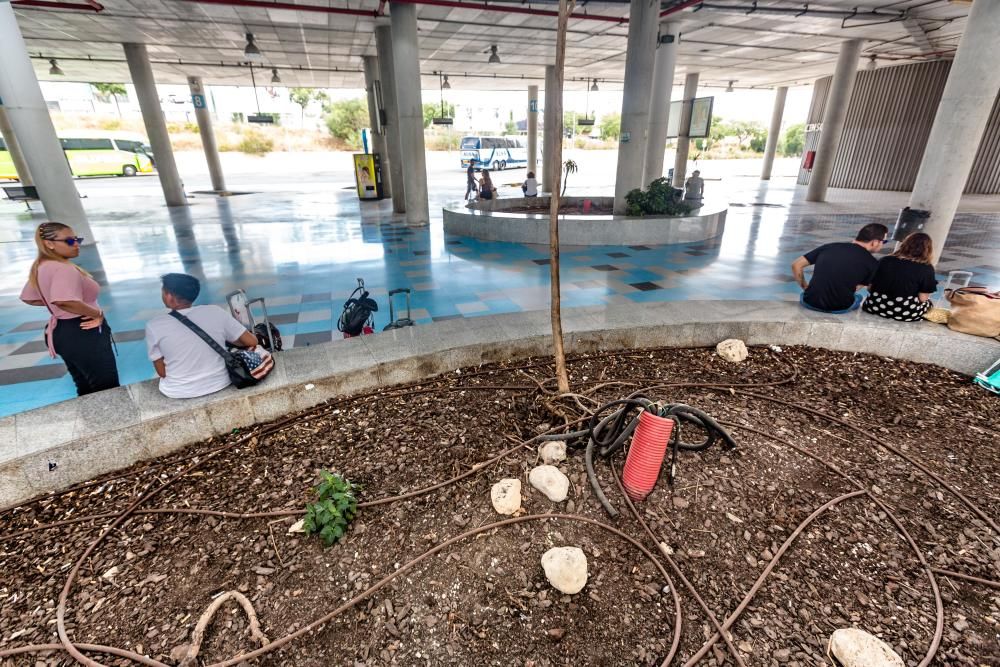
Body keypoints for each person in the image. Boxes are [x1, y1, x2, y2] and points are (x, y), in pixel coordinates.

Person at [20, 222, 120, 396]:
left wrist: (59, 306)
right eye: (69, 241)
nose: (76, 245)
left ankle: (92, 422)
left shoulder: (41, 266)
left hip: (62, 332)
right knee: (107, 389)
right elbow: (64, 301)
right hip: (83, 330)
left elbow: (30, 298)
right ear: (49, 243)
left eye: (77, 239)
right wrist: (97, 313)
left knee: (85, 386)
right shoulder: (63, 268)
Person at [145, 273, 268, 399]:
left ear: (170, 297)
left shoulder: (154, 326)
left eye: (163, 291)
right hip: (220, 382)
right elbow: (252, 341)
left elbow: (162, 372)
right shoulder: (214, 311)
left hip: (177, 391)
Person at [792, 222, 888, 314]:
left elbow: (796, 265)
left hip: (809, 302)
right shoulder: (873, 263)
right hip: (839, 308)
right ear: (875, 242)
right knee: (858, 297)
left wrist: (805, 287)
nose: (883, 245)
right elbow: (856, 288)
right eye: (884, 241)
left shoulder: (829, 247)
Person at [862, 232, 938, 322]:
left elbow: (869, 288)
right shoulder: (926, 268)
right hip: (905, 313)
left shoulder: (885, 260)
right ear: (928, 249)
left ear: (905, 244)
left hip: (874, 306)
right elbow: (923, 298)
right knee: (929, 305)